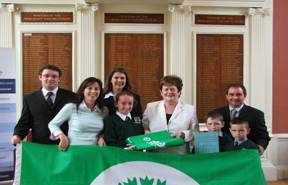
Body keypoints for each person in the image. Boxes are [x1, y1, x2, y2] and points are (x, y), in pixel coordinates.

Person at [11, 64, 76, 145]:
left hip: (66, 143)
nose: (50, 78)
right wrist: (17, 135)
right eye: (46, 76)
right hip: (40, 145)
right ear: (40, 77)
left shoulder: (72, 97)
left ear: (59, 79)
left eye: (54, 76)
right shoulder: (30, 99)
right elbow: (24, 122)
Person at [142, 75, 198, 154]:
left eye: (172, 89)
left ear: (179, 92)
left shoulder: (190, 109)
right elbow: (144, 127)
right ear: (161, 92)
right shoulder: (151, 107)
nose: (169, 92)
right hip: (155, 154)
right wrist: (147, 133)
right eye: (166, 89)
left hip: (179, 154)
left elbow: (195, 132)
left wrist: (184, 134)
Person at [48, 77, 108, 150]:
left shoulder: (103, 110)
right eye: (89, 88)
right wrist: (61, 135)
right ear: (83, 90)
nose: (93, 91)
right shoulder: (71, 107)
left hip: (95, 152)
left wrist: (101, 137)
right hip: (75, 151)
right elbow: (52, 124)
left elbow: (104, 130)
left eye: (96, 89)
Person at [214, 83, 270, 155]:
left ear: (244, 96)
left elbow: (263, 135)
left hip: (246, 153)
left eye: (238, 94)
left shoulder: (257, 114)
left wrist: (260, 147)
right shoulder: (217, 113)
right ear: (227, 96)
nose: (235, 97)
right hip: (223, 154)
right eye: (231, 94)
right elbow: (212, 132)